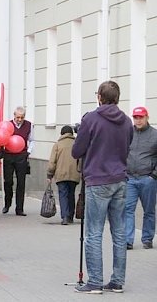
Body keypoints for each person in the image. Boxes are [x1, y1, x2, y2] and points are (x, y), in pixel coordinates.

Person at [71, 80, 133, 294]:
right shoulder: (126, 121)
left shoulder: (91, 119)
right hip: (120, 179)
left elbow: (76, 150)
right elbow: (127, 146)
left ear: (99, 97)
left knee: (94, 232)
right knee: (119, 232)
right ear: (117, 97)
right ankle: (117, 281)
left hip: (98, 180)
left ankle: (95, 281)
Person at [125, 106, 157, 250]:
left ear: (147, 118)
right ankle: (128, 240)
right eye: (135, 117)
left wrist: (153, 175)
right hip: (130, 178)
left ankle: (147, 238)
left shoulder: (154, 135)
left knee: (149, 210)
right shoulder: (127, 133)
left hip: (148, 179)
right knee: (128, 209)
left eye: (141, 117)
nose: (138, 120)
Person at [2, 106, 34, 216]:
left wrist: (28, 152)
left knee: (21, 182)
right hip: (9, 155)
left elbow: (32, 140)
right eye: (18, 117)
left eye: (22, 117)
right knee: (8, 181)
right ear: (14, 116)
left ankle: (19, 208)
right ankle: (7, 203)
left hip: (21, 155)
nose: (20, 119)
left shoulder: (29, 125)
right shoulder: (8, 125)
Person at [46, 125, 80, 225]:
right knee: (71, 194)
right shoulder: (76, 143)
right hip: (74, 174)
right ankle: (70, 216)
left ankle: (65, 216)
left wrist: (49, 175)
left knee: (63, 194)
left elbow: (52, 162)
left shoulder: (57, 145)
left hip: (61, 174)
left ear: (61, 134)